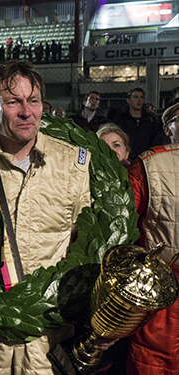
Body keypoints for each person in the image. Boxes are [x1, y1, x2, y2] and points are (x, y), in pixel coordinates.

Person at [0, 60, 94, 375]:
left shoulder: (74, 164)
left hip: (47, 341)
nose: (26, 112)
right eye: (13, 102)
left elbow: (90, 245)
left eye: (33, 101)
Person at [126, 101, 179, 375]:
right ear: (167, 128)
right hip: (160, 286)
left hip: (159, 287)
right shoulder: (149, 165)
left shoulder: (147, 164)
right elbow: (125, 225)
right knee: (155, 360)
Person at [112, 88, 164, 160]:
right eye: (135, 97)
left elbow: (156, 139)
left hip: (146, 158)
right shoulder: (120, 119)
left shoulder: (150, 119)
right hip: (125, 159)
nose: (139, 100)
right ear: (128, 100)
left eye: (141, 97)